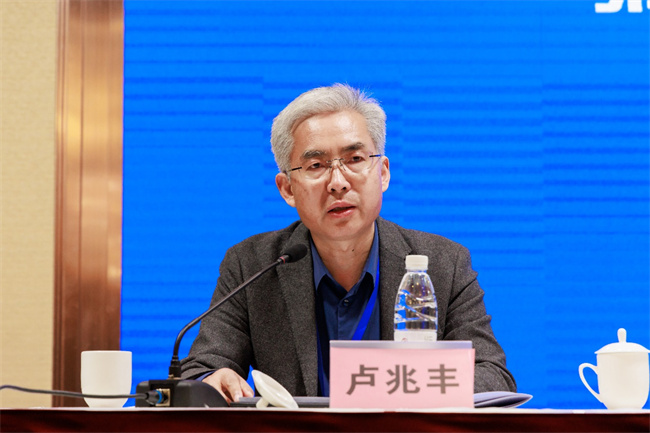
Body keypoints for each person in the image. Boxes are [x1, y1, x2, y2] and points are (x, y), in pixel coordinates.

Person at [181, 84, 516, 403]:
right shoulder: (252, 265)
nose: (338, 183)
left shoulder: (444, 263)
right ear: (287, 189)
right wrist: (212, 379)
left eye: (355, 159)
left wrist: (411, 386)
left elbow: (492, 376)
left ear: (382, 173)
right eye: (316, 165)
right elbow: (201, 370)